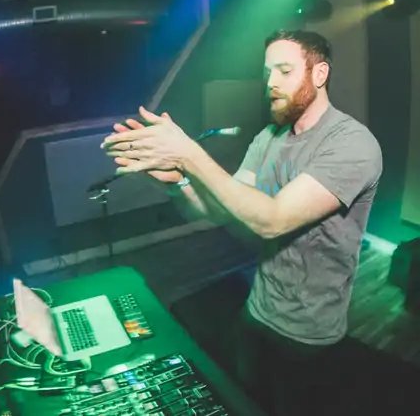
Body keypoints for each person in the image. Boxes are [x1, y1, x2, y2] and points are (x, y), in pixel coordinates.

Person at [102, 29, 382, 416]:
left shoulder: (351, 144)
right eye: (267, 72)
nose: (271, 83)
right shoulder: (268, 138)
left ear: (319, 74)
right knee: (241, 401)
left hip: (308, 331)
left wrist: (189, 155)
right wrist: (177, 181)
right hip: (257, 309)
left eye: (284, 71)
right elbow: (217, 211)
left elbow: (273, 221)